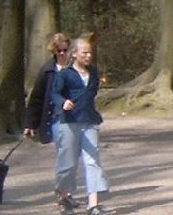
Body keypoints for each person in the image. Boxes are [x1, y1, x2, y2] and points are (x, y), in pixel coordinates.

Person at [52, 35, 110, 215]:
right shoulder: (65, 74)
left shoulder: (93, 73)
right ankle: (63, 196)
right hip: (69, 122)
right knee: (68, 164)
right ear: (75, 54)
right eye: (84, 53)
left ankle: (93, 204)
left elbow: (91, 93)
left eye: (90, 53)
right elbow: (55, 94)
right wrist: (63, 102)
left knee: (93, 161)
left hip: (89, 121)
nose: (88, 56)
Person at [25, 33, 72, 142]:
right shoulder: (47, 71)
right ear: (53, 51)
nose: (62, 53)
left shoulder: (75, 69)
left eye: (65, 50)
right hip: (53, 119)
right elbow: (37, 98)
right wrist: (30, 124)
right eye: (58, 51)